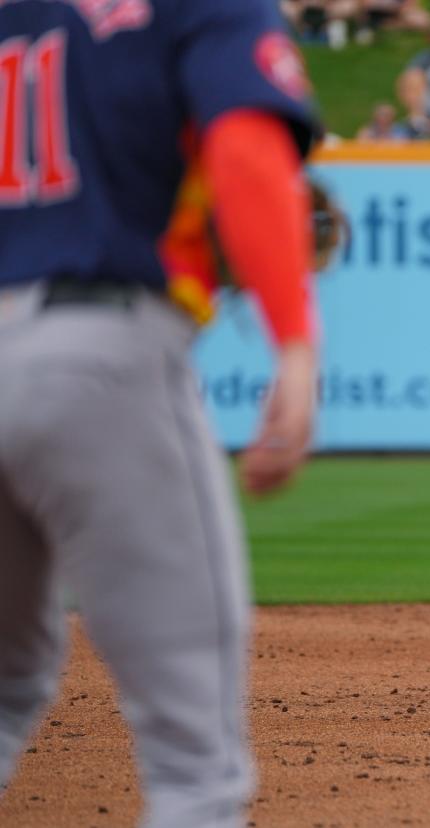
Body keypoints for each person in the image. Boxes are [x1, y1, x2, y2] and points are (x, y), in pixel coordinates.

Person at [0, 0, 319, 825]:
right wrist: (293, 344)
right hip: (93, 353)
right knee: (195, 772)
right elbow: (247, 148)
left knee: (8, 683)